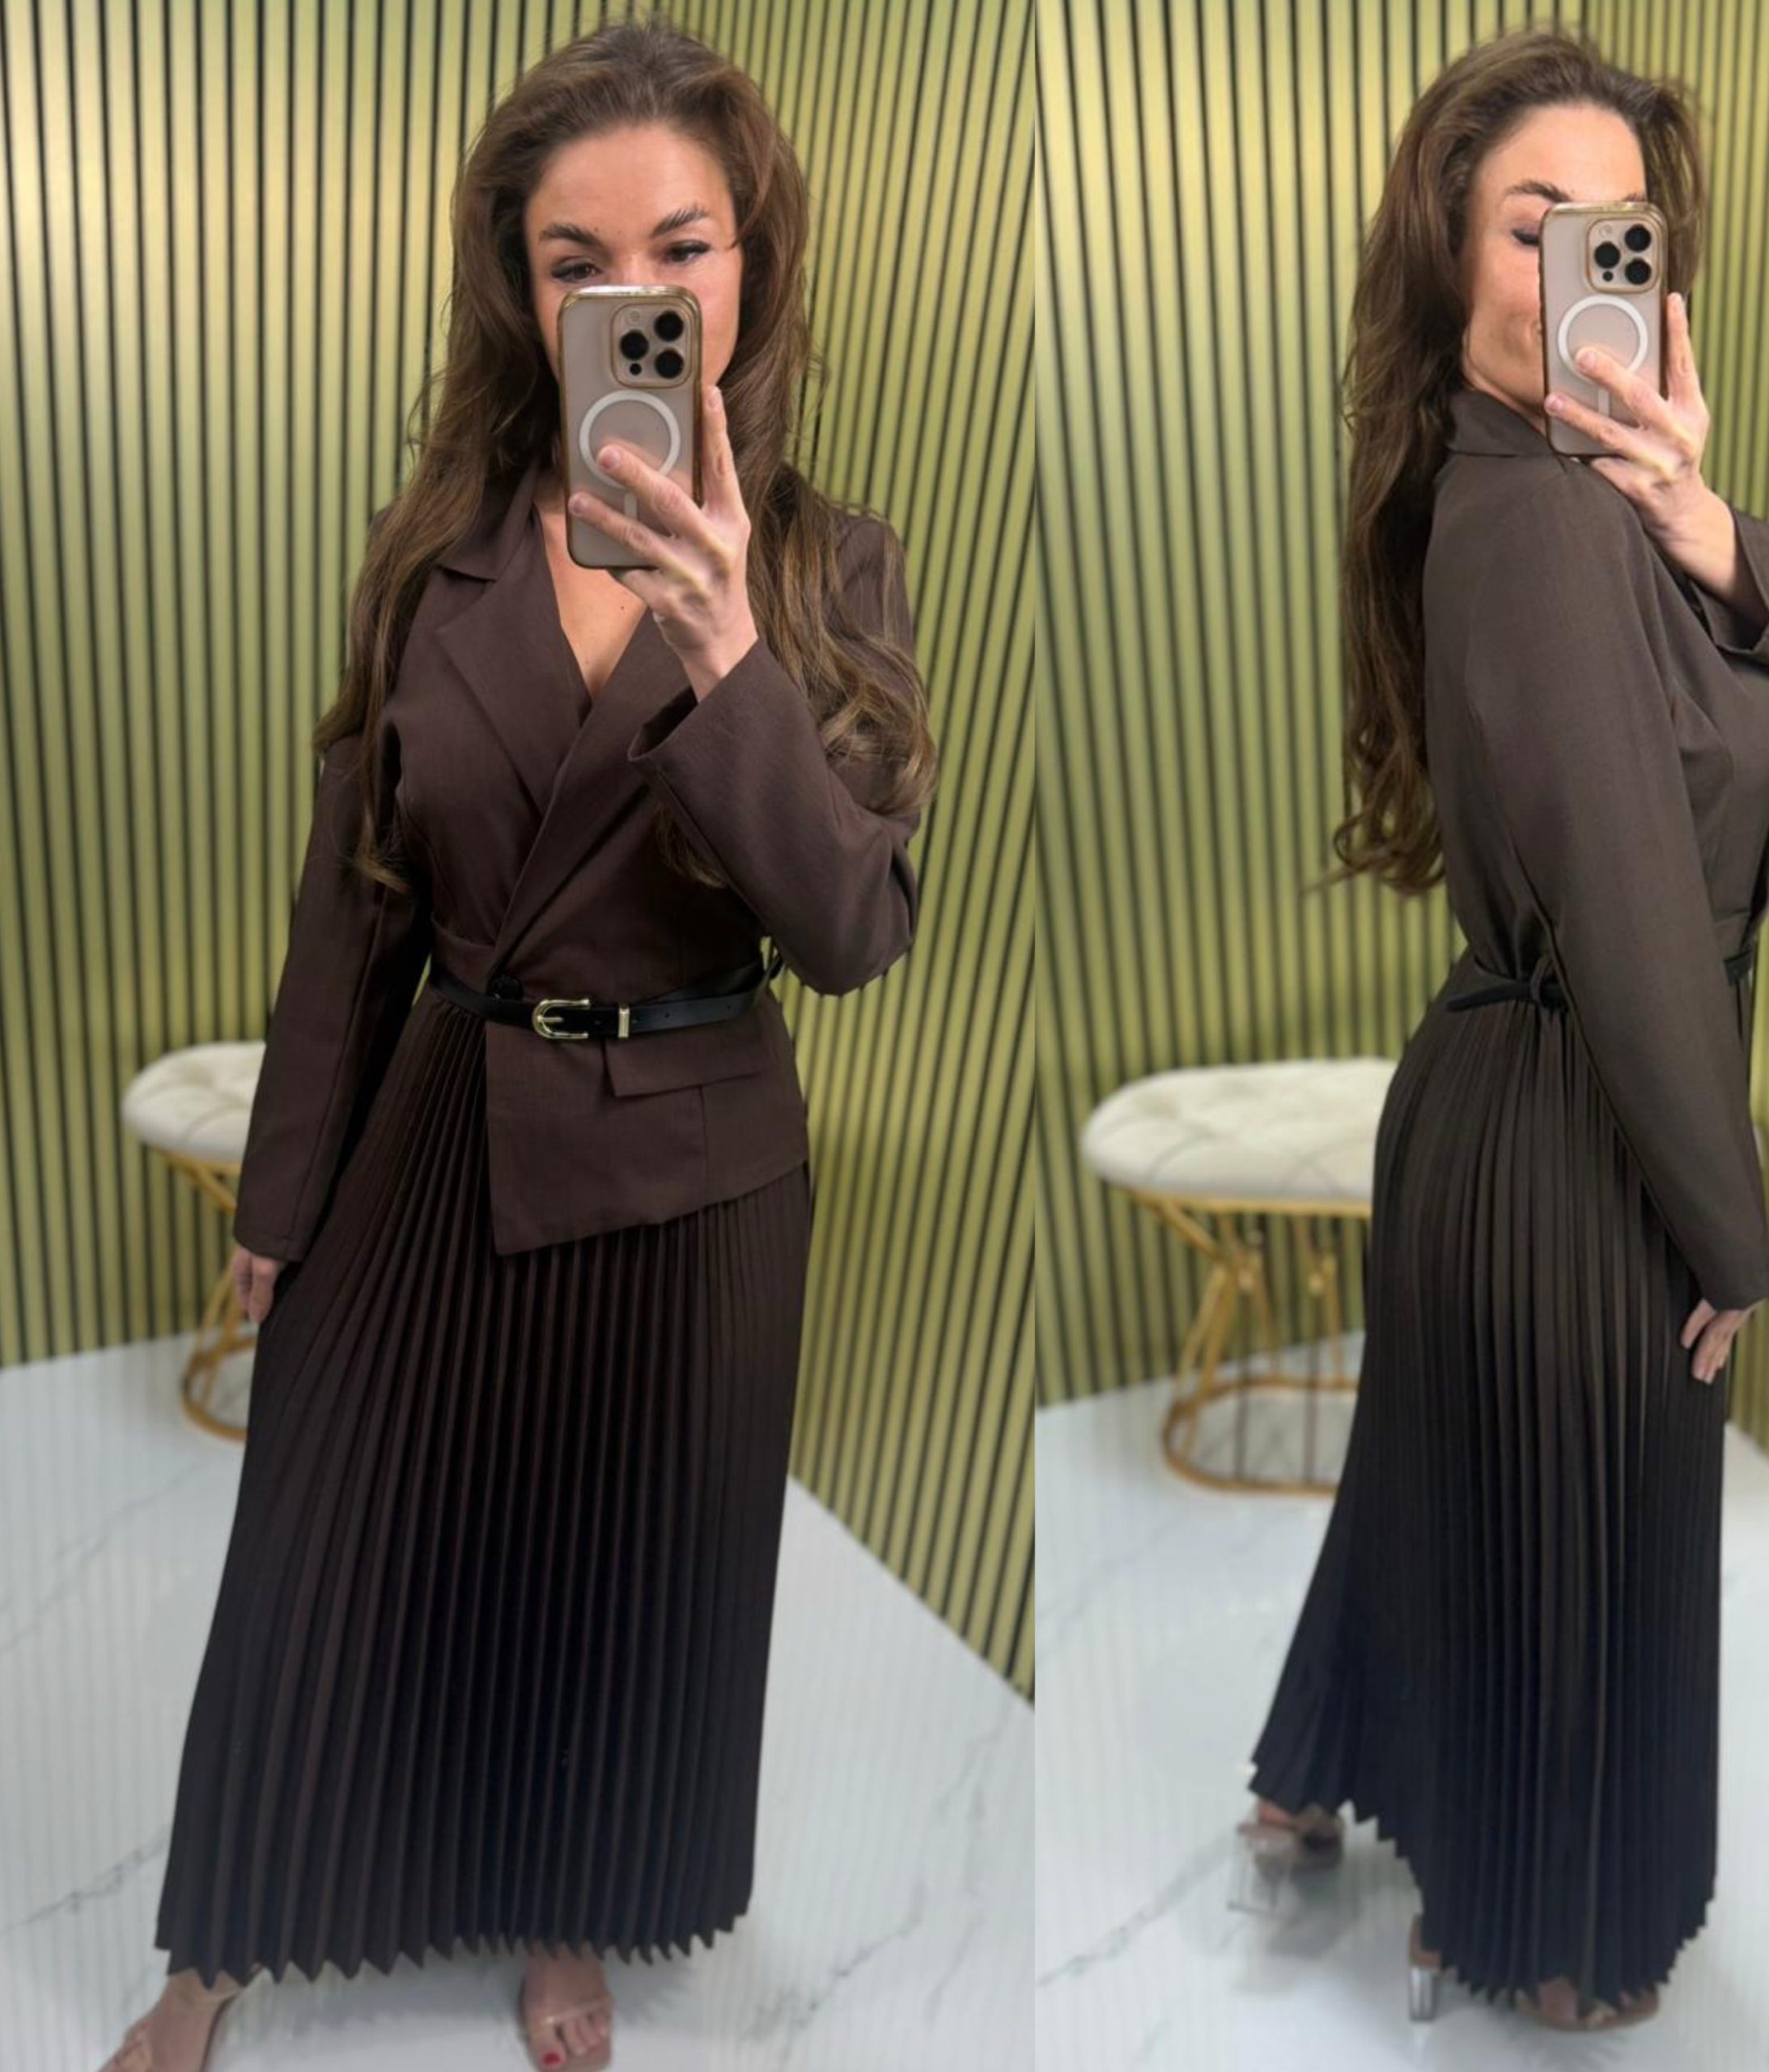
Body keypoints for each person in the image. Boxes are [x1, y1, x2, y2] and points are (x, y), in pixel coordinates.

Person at [104, 20, 935, 2072]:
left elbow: (851, 930)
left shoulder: (827, 569)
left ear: (751, 261)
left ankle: (566, 1912)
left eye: (681, 245)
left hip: (691, 1172)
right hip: (438, 1129)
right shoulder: (440, 548)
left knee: (612, 1578)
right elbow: (354, 903)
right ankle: (220, 1945)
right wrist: (281, 1201)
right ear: (521, 285)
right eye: (579, 260)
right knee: (318, 1556)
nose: (635, 293)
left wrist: (726, 653)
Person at [1237, 25, 1769, 2033]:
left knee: (1448, 1485)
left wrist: (1694, 505)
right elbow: (1625, 917)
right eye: (1530, 222)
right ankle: (1533, 1923)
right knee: (1566, 1550)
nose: (1574, 264)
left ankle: (1313, 1784)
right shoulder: (1527, 517)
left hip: (1517, 1099)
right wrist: (1731, 1234)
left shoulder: (1581, 493)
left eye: (1613, 230)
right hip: (1576, 1116)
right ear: (1450, 255)